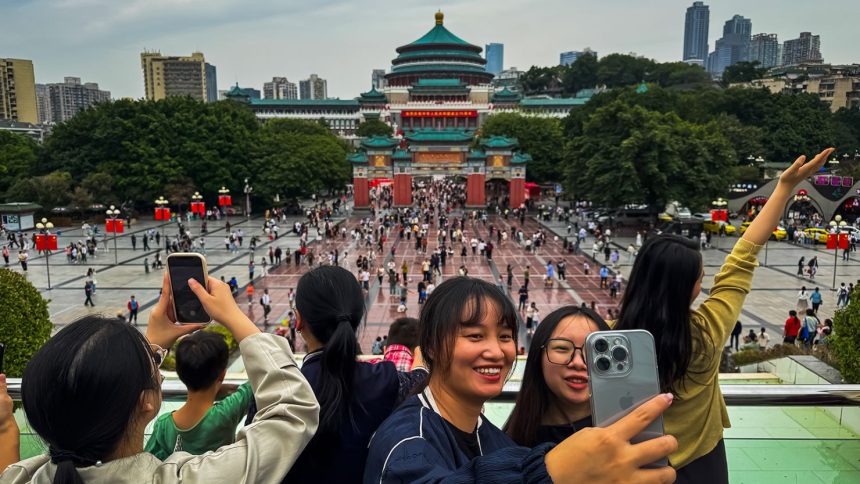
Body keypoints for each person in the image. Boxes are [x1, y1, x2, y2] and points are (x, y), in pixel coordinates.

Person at [612, 148, 834, 483]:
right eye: (700, 279)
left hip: (636, 466)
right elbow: (744, 253)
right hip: (704, 462)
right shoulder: (709, 330)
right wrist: (783, 188)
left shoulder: (611, 339)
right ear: (688, 288)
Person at [0, 272, 318, 483]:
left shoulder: (23, 476)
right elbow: (293, 412)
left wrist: (150, 349)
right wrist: (234, 317)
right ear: (148, 402)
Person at [363, 277, 678, 483]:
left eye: (504, 336)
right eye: (474, 335)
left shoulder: (498, 441)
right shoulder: (405, 439)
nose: (495, 351)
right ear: (430, 345)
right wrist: (550, 472)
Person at [281, 265, 428, 483]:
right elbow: (419, 381)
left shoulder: (276, 389)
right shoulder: (384, 379)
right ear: (357, 318)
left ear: (299, 320)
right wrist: (421, 357)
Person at [505, 306, 610, 447]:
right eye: (562, 348)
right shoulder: (506, 447)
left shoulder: (633, 430)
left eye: (594, 349)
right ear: (538, 356)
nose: (578, 363)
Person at [145, 332, 253, 459]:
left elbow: (148, 460)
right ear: (222, 375)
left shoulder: (164, 425)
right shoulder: (226, 412)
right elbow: (260, 378)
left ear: (180, 373)